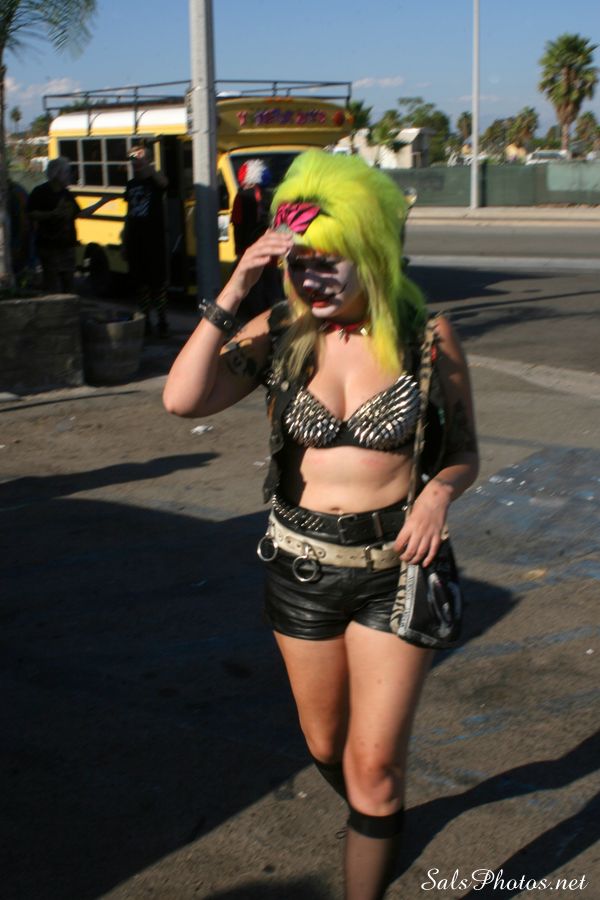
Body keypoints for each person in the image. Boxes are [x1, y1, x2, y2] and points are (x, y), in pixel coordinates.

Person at [163, 150, 478, 899]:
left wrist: (437, 494)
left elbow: (463, 452)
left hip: (395, 571)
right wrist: (237, 284)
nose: (313, 280)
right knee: (325, 743)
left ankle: (376, 819)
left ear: (370, 252)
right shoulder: (282, 331)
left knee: (374, 768)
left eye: (329, 262)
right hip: (301, 569)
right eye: (299, 264)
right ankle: (378, 814)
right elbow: (183, 399)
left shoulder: (426, 335)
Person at [27, 157, 108, 293]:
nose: (70, 176)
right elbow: (31, 214)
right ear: (56, 174)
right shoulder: (40, 192)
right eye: (66, 172)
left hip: (67, 247)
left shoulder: (67, 194)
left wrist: (102, 202)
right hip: (49, 248)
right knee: (53, 288)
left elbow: (80, 214)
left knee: (69, 287)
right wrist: (52, 214)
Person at [123, 144, 169, 338]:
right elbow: (129, 213)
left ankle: (162, 321)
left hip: (154, 240)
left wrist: (148, 166)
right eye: (133, 158)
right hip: (136, 240)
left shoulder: (155, 181)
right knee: (141, 284)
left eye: (139, 157)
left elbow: (165, 184)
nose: (135, 162)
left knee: (158, 284)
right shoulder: (131, 184)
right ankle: (146, 321)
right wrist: (125, 240)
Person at [231, 158, 282, 319]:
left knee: (252, 291)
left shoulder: (241, 197)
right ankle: (280, 320)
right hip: (270, 252)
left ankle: (257, 322)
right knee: (273, 289)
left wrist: (239, 251)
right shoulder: (273, 196)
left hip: (249, 252)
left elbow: (238, 225)